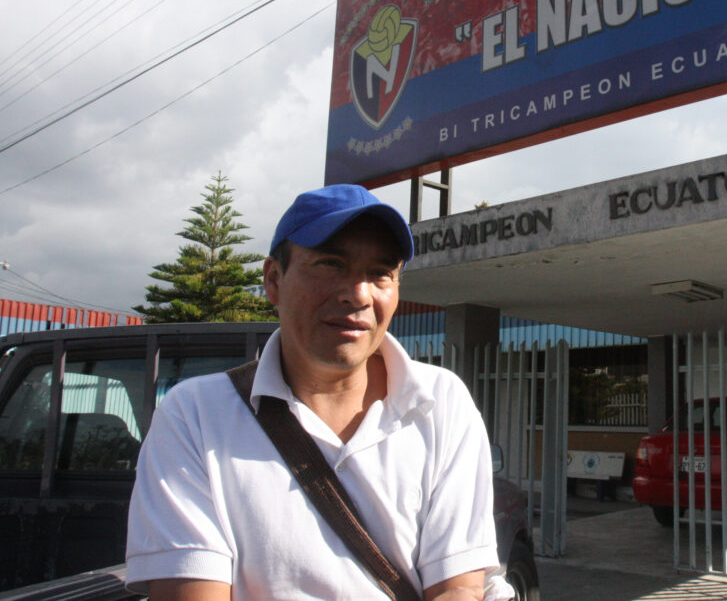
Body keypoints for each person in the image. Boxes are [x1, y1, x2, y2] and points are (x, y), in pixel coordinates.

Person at [126, 184, 512, 600]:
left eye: (381, 273)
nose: (358, 294)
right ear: (273, 279)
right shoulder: (195, 417)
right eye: (331, 264)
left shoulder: (441, 404)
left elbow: (457, 588)